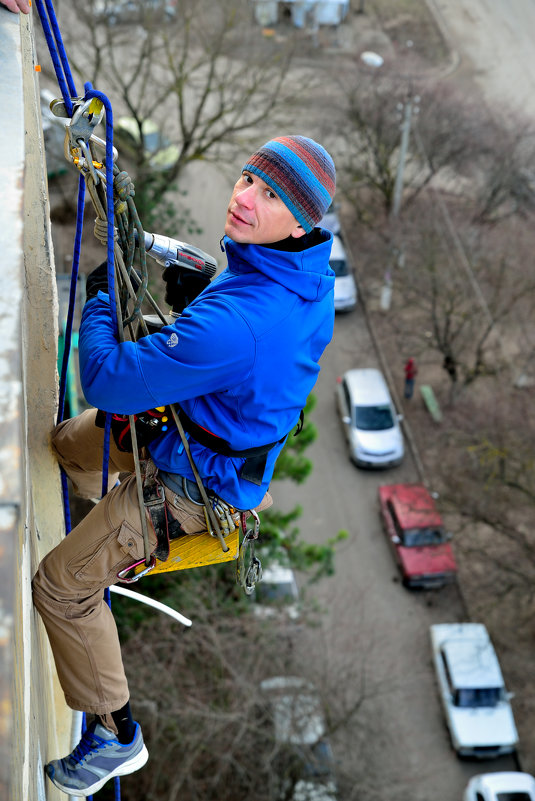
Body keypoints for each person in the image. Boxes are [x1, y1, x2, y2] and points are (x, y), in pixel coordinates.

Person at [32, 134, 336, 796]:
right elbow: (248, 341)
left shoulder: (242, 321)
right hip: (185, 429)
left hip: (187, 485)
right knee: (67, 445)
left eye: (271, 193)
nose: (245, 197)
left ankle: (116, 734)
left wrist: (100, 298)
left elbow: (107, 379)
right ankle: (94, 540)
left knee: (58, 585)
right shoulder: (304, 276)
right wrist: (203, 297)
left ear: (302, 220)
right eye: (248, 179)